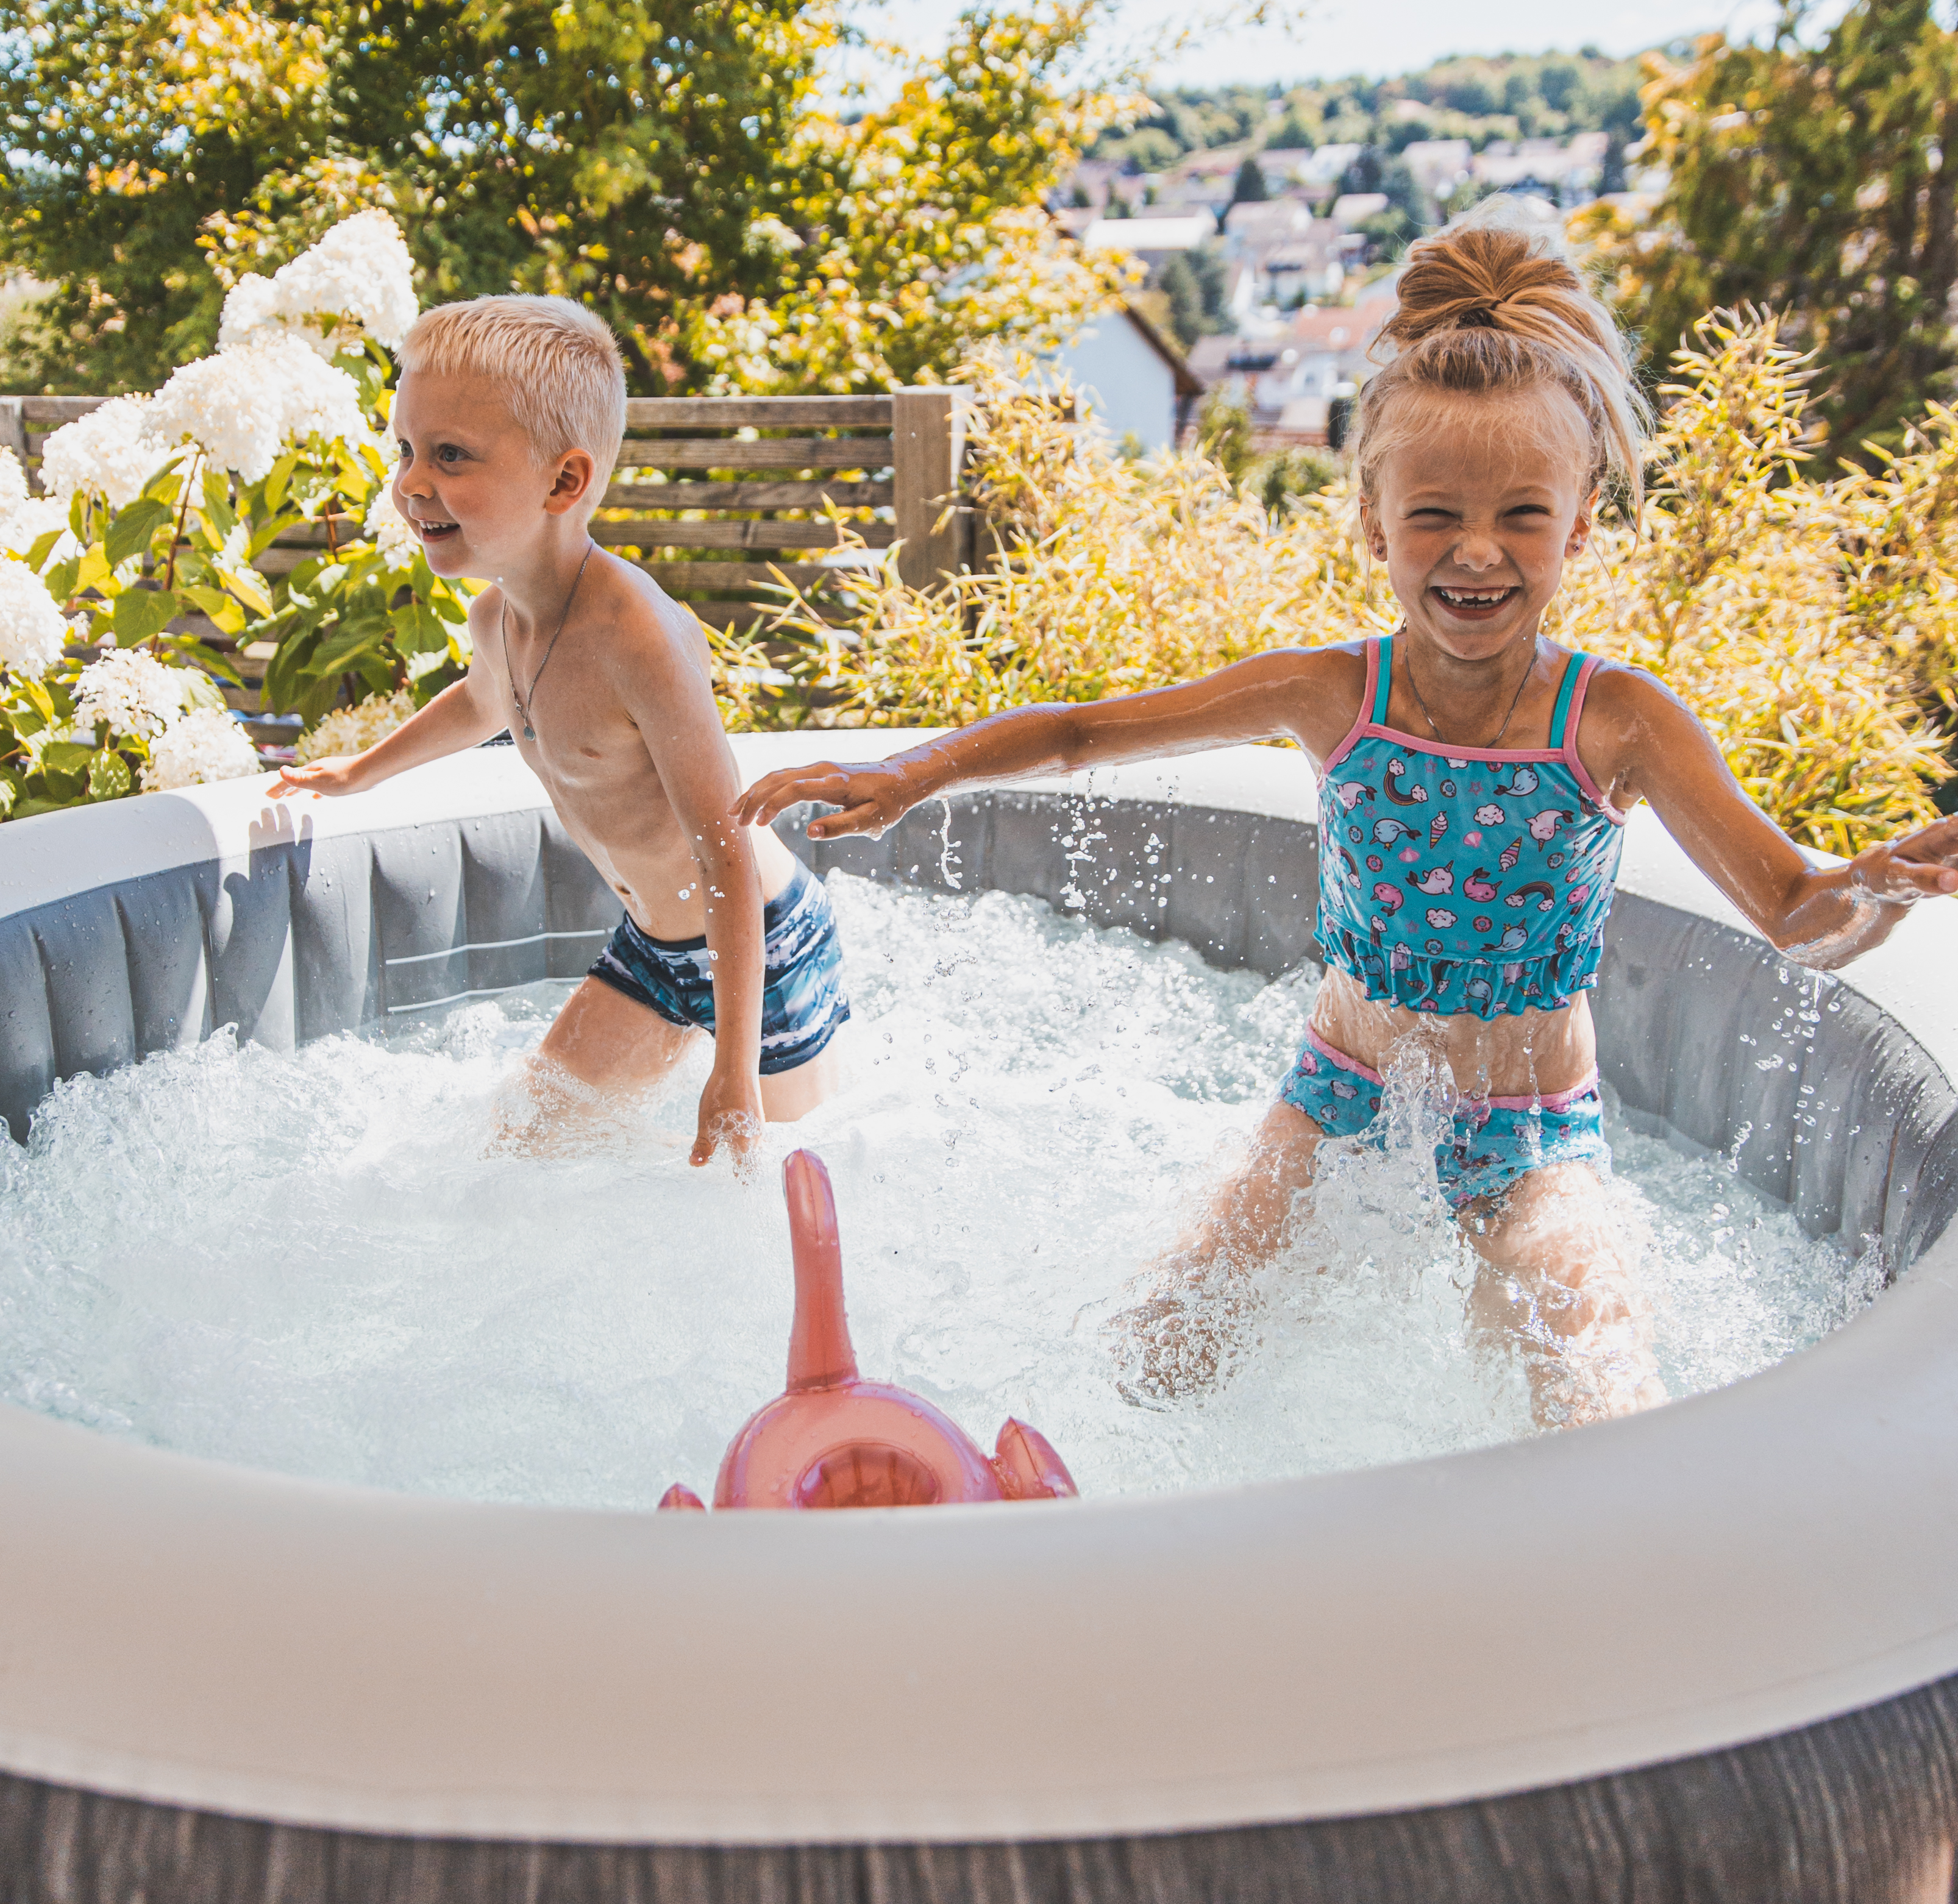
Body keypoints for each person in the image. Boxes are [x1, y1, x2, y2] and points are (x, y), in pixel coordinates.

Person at [733, 204, 1958, 1425]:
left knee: (1600, 1412)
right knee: (1151, 1375)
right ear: (1374, 522)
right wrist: (906, 776)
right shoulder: (1332, 695)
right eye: (1435, 514)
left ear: (1581, 522)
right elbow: (1085, 730)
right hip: (1337, 1099)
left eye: (1522, 514)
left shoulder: (1615, 721)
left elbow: (1795, 910)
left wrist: (1880, 886)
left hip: (1529, 1134)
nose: (1476, 551)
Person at [271, 296, 848, 1170]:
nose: (411, 483)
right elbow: (482, 703)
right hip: (655, 946)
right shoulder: (497, 615)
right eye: (407, 449)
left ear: (564, 482)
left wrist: (731, 1069)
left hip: (759, 948)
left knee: (774, 1179)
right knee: (518, 1153)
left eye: (451, 456)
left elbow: (725, 848)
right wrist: (362, 773)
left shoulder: (637, 639)